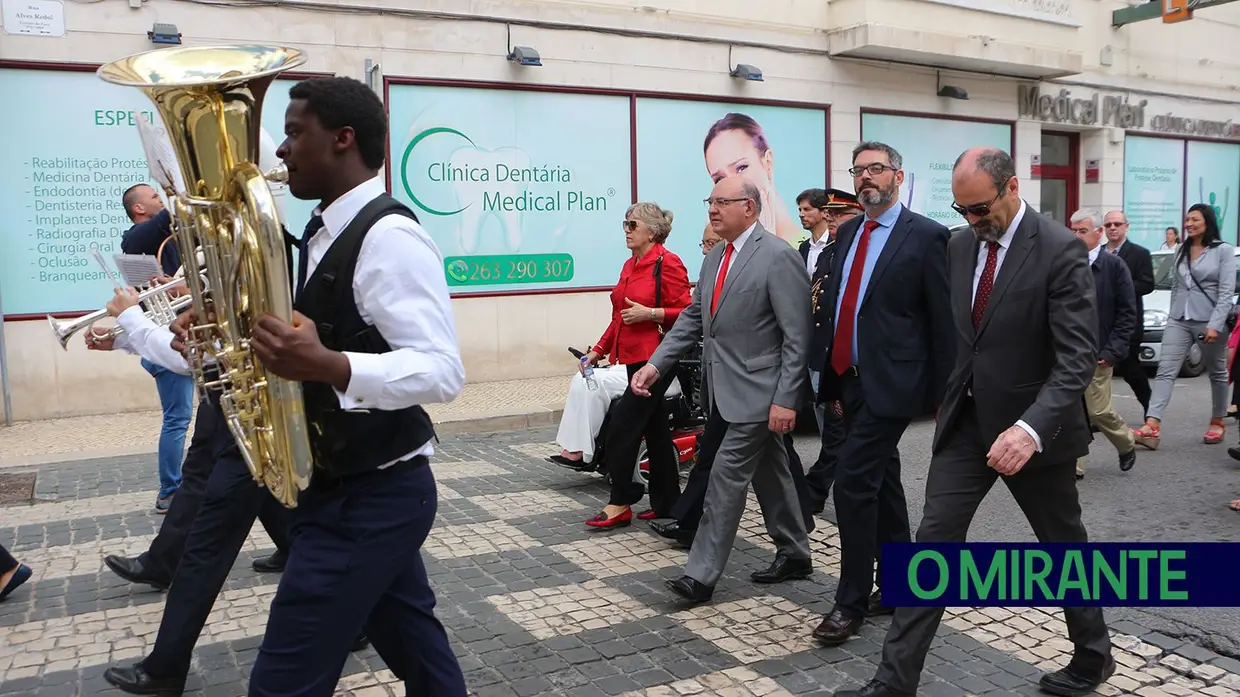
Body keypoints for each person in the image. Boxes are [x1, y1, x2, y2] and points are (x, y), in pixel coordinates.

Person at [837, 147, 1113, 697]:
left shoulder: (1060, 251)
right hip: (965, 424)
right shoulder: (960, 245)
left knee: (1063, 548)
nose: (972, 221)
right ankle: (893, 684)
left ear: (1012, 188)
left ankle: (1092, 657)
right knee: (933, 547)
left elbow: (1076, 360)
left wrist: (1030, 428)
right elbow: (958, 335)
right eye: (962, 211)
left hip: (1034, 433)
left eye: (981, 208)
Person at [239, 75, 467, 696]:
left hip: (369, 499)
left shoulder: (389, 237)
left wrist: (330, 365)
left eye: (292, 134)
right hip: (349, 487)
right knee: (416, 648)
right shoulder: (324, 231)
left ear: (342, 139)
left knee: (282, 682)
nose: (280, 152)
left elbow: (442, 370)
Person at [631, 175, 813, 602]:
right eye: (709, 202)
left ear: (749, 207)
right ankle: (796, 552)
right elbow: (693, 320)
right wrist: (657, 366)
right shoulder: (715, 258)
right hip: (723, 393)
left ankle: (700, 575)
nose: (712, 210)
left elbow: (797, 336)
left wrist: (787, 398)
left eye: (721, 202)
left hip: (760, 394)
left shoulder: (777, 256)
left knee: (724, 481)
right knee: (772, 474)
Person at [810, 142, 953, 645]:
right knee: (882, 479)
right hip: (846, 378)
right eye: (858, 170)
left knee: (852, 484)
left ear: (898, 175)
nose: (866, 177)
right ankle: (898, 586)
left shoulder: (929, 237)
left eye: (876, 169)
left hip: (893, 383)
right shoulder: (848, 233)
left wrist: (943, 396)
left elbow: (943, 322)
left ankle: (848, 602)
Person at [87, 278, 294, 589]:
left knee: (202, 477)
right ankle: (296, 548)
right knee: (251, 476)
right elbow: (191, 348)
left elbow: (193, 356)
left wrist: (130, 319)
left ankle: (162, 562)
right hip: (227, 391)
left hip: (233, 391)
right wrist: (123, 338)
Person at [577, 203, 692, 527]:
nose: (626, 230)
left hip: (657, 358)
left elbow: (687, 313)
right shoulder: (631, 264)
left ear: (652, 231)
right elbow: (620, 316)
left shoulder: (667, 263)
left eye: (632, 224)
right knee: (654, 431)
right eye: (624, 224)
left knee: (621, 428)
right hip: (630, 356)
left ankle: (621, 500)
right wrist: (597, 352)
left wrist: (651, 313)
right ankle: (668, 501)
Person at [1133, 204, 1235, 449]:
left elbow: (1225, 292)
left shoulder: (1223, 251)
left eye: (1194, 219)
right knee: (1165, 370)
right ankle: (1152, 425)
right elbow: (1178, 287)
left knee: (1217, 372)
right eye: (1187, 219)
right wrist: (1171, 317)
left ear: (1207, 222)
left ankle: (1217, 420)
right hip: (1179, 319)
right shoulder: (1180, 249)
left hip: (1209, 321)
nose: (1189, 223)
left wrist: (1215, 324)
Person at [119, 183, 194, 513]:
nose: (161, 201)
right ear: (139, 209)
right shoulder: (135, 239)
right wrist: (180, 190)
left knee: (185, 419)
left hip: (176, 338)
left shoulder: (166, 242)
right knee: (177, 419)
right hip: (167, 341)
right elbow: (167, 217)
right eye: (154, 197)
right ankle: (170, 490)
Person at [1067, 209, 1137, 479]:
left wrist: (1112, 351)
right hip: (1070, 350)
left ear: (1099, 233)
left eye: (1082, 231)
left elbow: (1127, 313)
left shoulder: (1114, 266)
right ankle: (1075, 464)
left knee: (1097, 410)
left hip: (1099, 352)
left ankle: (1126, 442)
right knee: (1070, 408)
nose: (1075, 236)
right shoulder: (1066, 263)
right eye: (1072, 230)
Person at [702, 113, 801, 245]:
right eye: (719, 179)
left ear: (768, 162)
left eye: (741, 168)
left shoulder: (801, 250)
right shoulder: (720, 249)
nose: (731, 183)